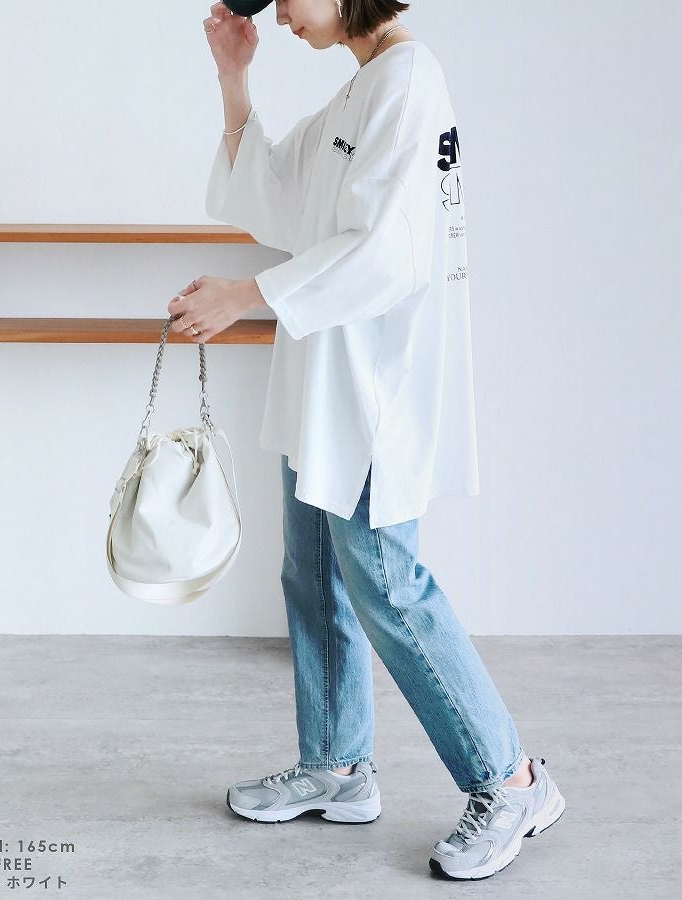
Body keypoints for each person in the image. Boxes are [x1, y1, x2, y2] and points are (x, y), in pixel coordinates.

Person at [174, 0, 566, 881]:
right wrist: (234, 77)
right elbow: (277, 198)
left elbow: (390, 253)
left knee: (389, 587)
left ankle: (513, 780)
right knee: (313, 574)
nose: (279, 11)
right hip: (327, 385)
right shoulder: (365, 87)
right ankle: (337, 766)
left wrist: (246, 296)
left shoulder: (409, 84)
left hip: (375, 391)